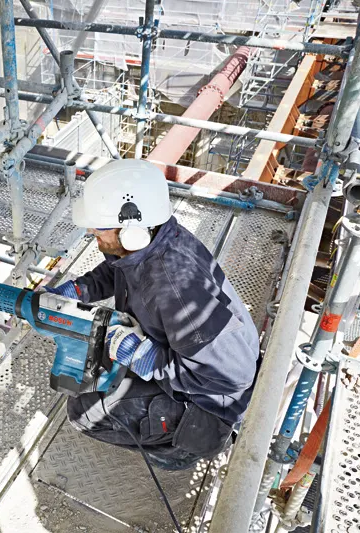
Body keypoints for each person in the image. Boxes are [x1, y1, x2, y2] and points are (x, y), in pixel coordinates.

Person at [47, 159, 260, 470]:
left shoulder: (176, 289)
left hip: (211, 398)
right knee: (90, 368)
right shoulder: (149, 239)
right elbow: (117, 268)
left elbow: (234, 376)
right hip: (186, 354)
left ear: (133, 228)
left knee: (84, 412)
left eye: (100, 225)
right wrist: (78, 291)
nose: (92, 230)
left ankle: (186, 448)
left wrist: (149, 361)